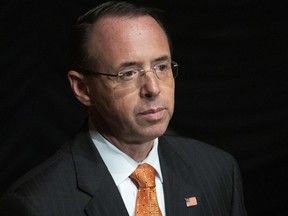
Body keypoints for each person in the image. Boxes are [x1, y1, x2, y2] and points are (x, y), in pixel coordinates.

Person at [0, 1, 247, 215]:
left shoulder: (218, 171)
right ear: (83, 89)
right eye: (128, 73)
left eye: (161, 67)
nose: (153, 88)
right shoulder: (37, 204)